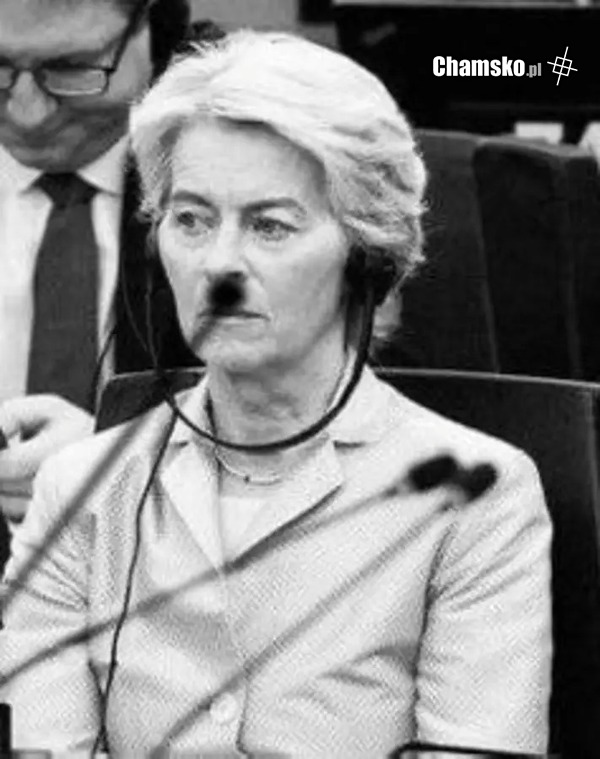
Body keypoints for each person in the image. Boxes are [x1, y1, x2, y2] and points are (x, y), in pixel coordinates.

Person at [0, 30, 552, 756]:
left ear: (367, 257)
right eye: (191, 220)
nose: (219, 266)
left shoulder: (478, 498)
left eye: (270, 226)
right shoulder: (79, 491)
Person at [0, 0, 208, 526]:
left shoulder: (248, 160)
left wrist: (126, 459)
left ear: (158, 35)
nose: (29, 114)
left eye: (70, 69)